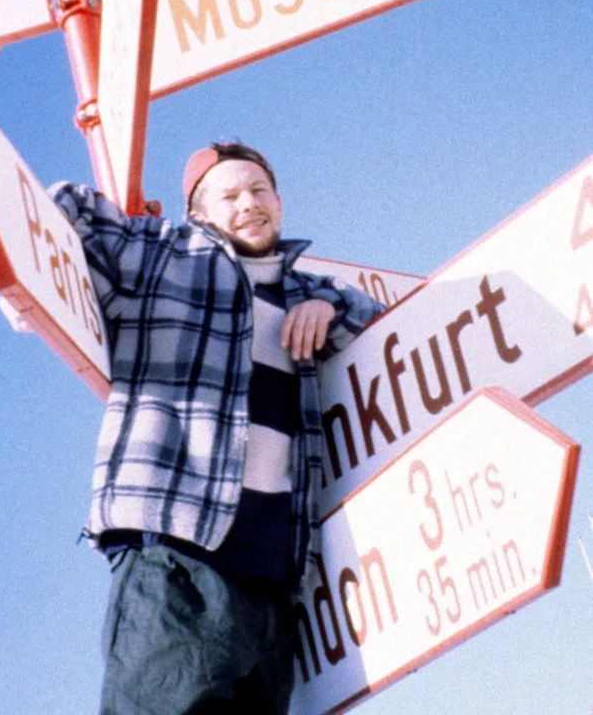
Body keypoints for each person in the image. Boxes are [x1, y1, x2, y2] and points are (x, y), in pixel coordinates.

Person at [47, 142, 385, 714]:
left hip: (275, 589)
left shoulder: (306, 293)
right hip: (177, 561)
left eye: (258, 190)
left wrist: (330, 305)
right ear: (199, 214)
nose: (248, 203)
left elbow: (385, 326)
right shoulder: (162, 256)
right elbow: (65, 207)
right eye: (228, 195)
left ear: (279, 202)